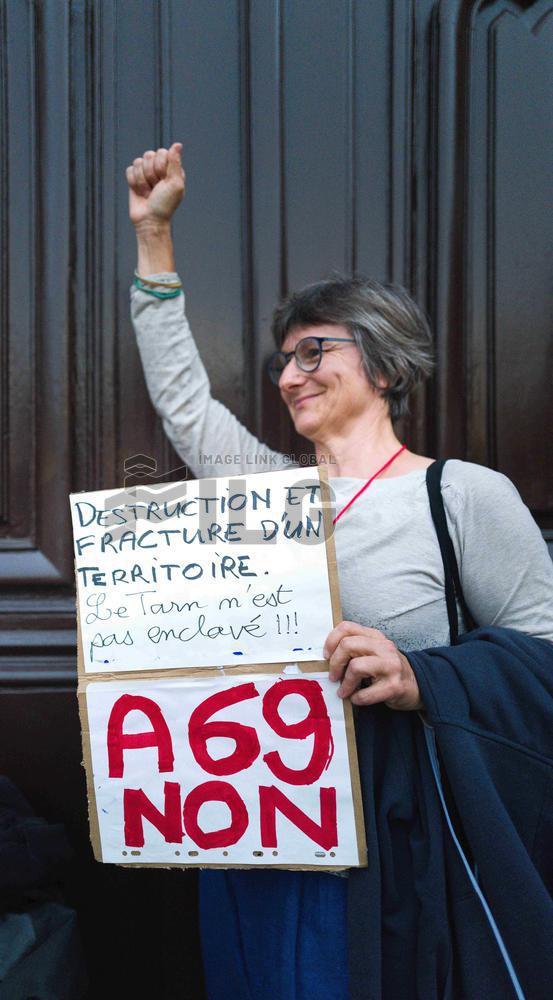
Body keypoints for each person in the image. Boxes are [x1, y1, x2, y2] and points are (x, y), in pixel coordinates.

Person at [126, 143, 553, 999]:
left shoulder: (461, 495)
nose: (289, 376)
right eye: (283, 360)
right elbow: (182, 401)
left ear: (387, 367)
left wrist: (421, 677)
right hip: (254, 827)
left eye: (314, 351)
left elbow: (543, 653)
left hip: (390, 847)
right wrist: (152, 235)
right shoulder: (267, 493)